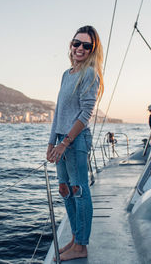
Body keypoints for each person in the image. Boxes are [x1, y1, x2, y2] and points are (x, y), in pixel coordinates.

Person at [46, 25, 104, 261]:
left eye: (86, 45)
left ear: (93, 50)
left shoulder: (90, 74)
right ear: (71, 45)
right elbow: (59, 110)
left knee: (79, 191)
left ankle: (81, 245)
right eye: (76, 43)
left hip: (76, 140)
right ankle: (74, 238)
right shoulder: (66, 74)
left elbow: (85, 114)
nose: (79, 48)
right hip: (61, 138)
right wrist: (52, 142)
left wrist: (65, 143)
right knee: (65, 190)